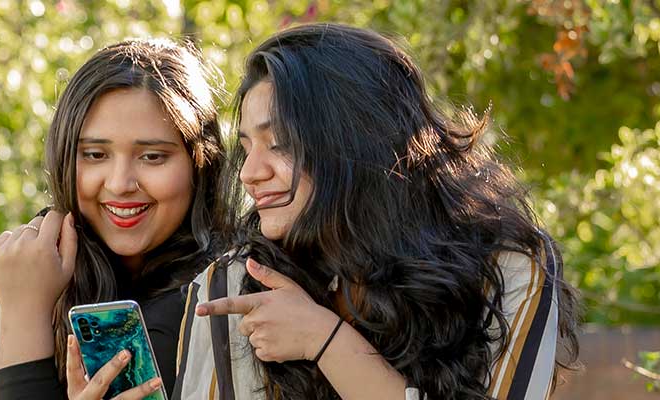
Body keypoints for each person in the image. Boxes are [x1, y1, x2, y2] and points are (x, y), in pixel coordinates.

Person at [177, 23, 581, 400]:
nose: (249, 173)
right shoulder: (235, 285)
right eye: (246, 147)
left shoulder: (507, 269)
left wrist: (324, 340)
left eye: (280, 142)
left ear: (358, 141)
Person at [0, 38, 235, 400]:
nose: (120, 184)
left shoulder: (216, 294)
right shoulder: (40, 259)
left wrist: (25, 315)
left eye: (152, 157)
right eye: (95, 154)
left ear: (201, 163)